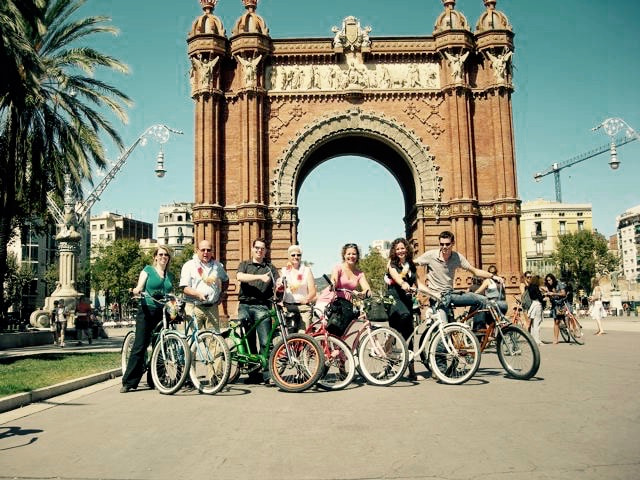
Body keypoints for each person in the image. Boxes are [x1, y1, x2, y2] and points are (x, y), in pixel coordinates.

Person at [414, 231, 504, 324]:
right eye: (442, 244)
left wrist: (493, 276)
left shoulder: (457, 257)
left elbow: (475, 271)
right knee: (445, 330)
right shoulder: (431, 256)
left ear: (453, 243)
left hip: (450, 295)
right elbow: (412, 263)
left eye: (447, 244)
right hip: (437, 297)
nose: (444, 247)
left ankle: (477, 331)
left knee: (481, 300)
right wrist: (416, 280)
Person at [121, 246, 173, 393]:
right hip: (147, 310)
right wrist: (137, 290)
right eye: (161, 254)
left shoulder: (170, 275)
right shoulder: (148, 270)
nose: (163, 257)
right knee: (140, 346)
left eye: (166, 255)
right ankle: (129, 382)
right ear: (155, 257)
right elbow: (140, 285)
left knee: (161, 346)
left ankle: (156, 379)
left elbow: (170, 293)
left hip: (163, 312)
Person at [236, 238, 279, 384]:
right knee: (248, 341)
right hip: (245, 305)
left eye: (262, 248)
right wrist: (260, 277)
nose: (259, 250)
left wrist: (280, 285)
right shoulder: (245, 264)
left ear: (266, 250)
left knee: (266, 341)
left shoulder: (270, 268)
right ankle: (253, 375)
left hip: (262, 306)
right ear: (252, 249)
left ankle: (268, 376)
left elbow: (277, 283)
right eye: (257, 248)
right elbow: (240, 277)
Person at [385, 238, 427, 380]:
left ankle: (412, 371)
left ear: (406, 249)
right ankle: (388, 367)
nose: (400, 251)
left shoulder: (411, 266)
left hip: (407, 300)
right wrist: (403, 284)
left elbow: (418, 283)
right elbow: (397, 278)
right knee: (396, 329)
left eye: (402, 248)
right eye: (397, 249)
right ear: (394, 251)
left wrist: (432, 292)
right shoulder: (391, 264)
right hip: (394, 299)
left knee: (410, 334)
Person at [180, 239, 229, 332]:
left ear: (212, 251)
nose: (206, 253)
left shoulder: (217, 266)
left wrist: (222, 294)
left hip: (212, 308)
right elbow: (184, 288)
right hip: (194, 307)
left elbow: (226, 280)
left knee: (214, 341)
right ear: (197, 250)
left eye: (208, 250)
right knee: (193, 340)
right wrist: (198, 294)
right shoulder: (189, 265)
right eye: (203, 250)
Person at [279, 245, 316, 332]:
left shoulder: (306, 270)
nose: (296, 257)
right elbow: (279, 290)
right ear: (288, 256)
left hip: (303, 308)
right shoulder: (284, 271)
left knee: (303, 337)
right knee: (289, 337)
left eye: (298, 255)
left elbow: (313, 291)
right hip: (288, 308)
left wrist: (306, 300)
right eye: (293, 255)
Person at [543, 273, 566, 345]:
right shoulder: (548, 286)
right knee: (556, 322)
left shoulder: (559, 284)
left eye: (549, 280)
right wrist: (547, 294)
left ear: (553, 279)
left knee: (567, 318)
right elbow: (550, 297)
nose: (548, 282)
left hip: (561, 303)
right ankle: (556, 339)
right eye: (547, 281)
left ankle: (572, 330)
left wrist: (553, 293)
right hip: (554, 305)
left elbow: (563, 294)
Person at [526, 275, 545, 346]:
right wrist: (544, 296)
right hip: (537, 304)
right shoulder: (536, 287)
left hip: (533, 304)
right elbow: (540, 297)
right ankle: (537, 340)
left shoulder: (530, 287)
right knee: (537, 323)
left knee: (534, 324)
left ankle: (533, 340)